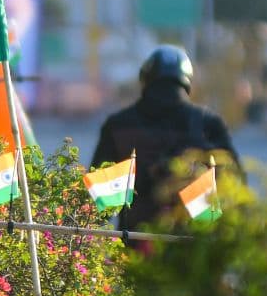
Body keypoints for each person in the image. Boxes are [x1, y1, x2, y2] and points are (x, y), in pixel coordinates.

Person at [91, 45, 240, 240]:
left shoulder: (117, 126)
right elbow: (236, 186)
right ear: (187, 81)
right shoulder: (208, 124)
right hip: (194, 248)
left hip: (134, 246)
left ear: (145, 80)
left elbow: (96, 202)